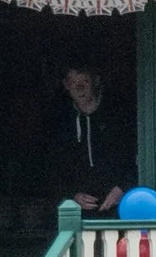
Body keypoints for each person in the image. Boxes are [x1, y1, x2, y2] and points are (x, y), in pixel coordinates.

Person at [51, 66, 128, 216]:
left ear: (95, 82)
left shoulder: (117, 116)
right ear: (66, 85)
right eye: (74, 82)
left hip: (120, 207)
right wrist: (73, 195)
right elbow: (54, 168)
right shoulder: (61, 122)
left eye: (85, 81)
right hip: (78, 211)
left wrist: (122, 188)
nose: (79, 88)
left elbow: (136, 157)